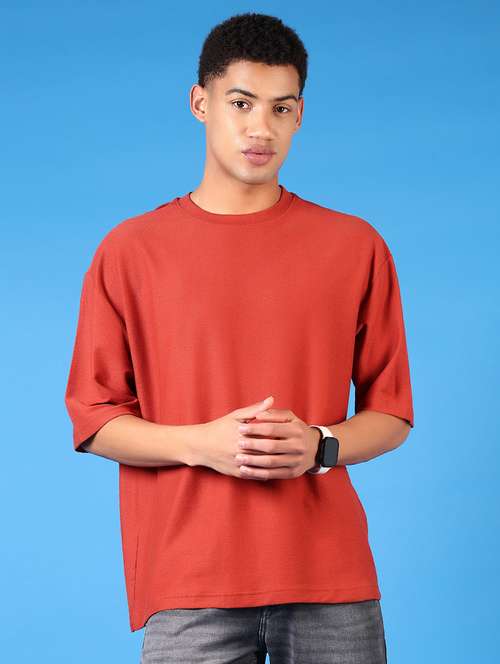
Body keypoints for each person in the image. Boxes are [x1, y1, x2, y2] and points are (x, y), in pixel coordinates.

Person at [64, 11, 414, 664]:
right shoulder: (131, 251)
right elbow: (94, 418)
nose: (261, 128)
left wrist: (320, 444)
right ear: (201, 103)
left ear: (300, 115)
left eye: (281, 108)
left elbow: (392, 413)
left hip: (330, 577)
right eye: (242, 103)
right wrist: (203, 443)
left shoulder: (354, 246)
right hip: (189, 582)